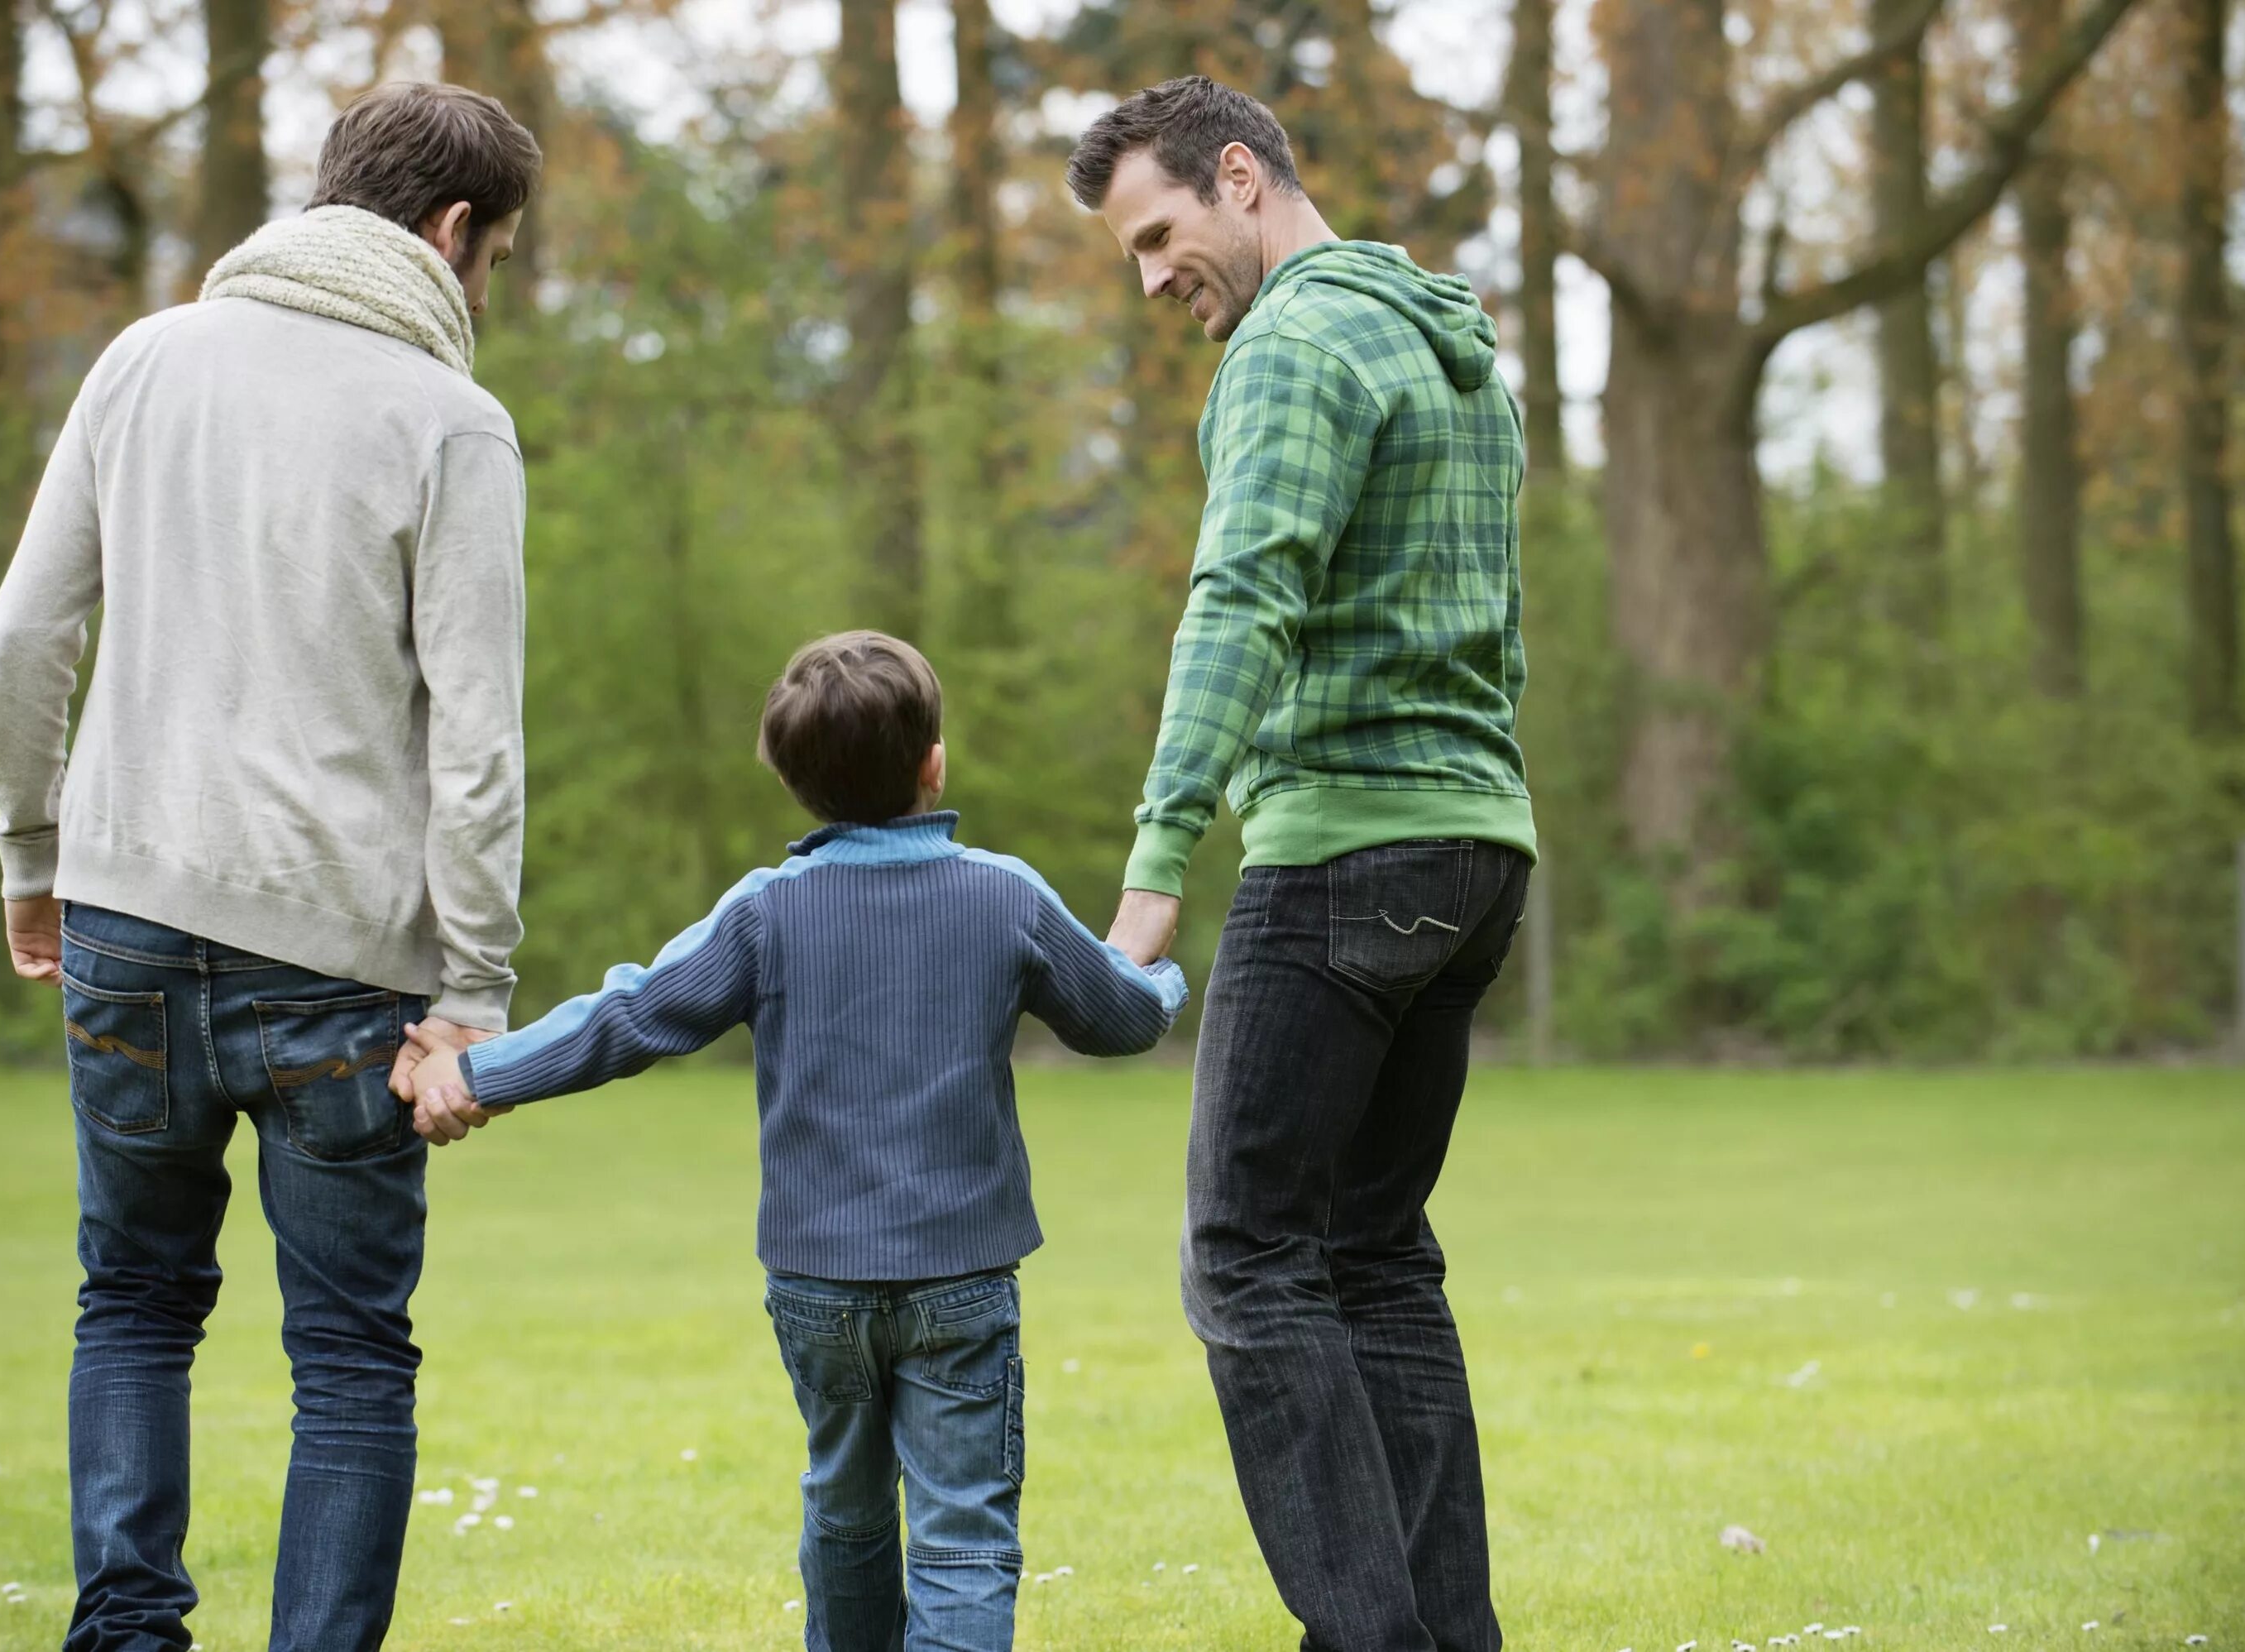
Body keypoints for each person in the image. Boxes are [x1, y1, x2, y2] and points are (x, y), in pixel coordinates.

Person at [0, 81, 542, 1652]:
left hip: (128, 921)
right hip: (346, 965)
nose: (484, 292)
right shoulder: (449, 422)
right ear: (450, 231)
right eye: (493, 259)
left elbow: (27, 638)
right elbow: (478, 743)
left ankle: (127, 1634)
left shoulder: (145, 361)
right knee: (352, 1354)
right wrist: (474, 989)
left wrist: (33, 847)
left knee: (134, 1304)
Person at [404, 630, 1187, 1652]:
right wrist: (1156, 974)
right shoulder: (1007, 894)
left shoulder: (767, 911)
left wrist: (478, 1069)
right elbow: (1119, 1018)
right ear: (933, 762)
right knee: (961, 1534)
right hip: (962, 1273)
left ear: (791, 781)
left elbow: (629, 1014)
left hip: (817, 1280)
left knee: (847, 1512)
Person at [1066, 76, 1535, 1652]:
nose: (1150, 281)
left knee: (1247, 1262)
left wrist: (1153, 865)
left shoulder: (1296, 345)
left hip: (1343, 854)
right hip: (1474, 850)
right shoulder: (1454, 349)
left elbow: (1242, 599)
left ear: (1243, 178)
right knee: (1375, 1261)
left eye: (1158, 234)